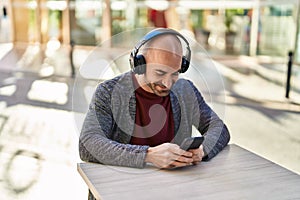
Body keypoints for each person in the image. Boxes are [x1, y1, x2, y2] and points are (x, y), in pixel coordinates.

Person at [79, 28, 230, 170]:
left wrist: (202, 151)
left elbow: (218, 127)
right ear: (139, 65)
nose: (167, 83)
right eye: (159, 72)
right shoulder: (108, 92)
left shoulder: (185, 90)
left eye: (175, 73)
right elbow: (88, 145)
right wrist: (148, 155)